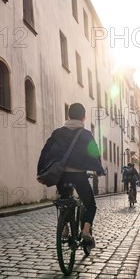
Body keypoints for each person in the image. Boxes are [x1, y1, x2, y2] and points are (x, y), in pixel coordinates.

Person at [37, 103, 104, 247]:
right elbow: (95, 152)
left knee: (63, 200)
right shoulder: (86, 134)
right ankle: (86, 230)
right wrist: (98, 169)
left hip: (61, 175)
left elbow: (45, 151)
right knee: (90, 205)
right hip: (79, 176)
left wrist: (41, 171)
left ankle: (65, 227)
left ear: (68, 116)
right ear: (84, 118)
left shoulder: (58, 133)